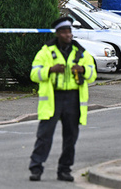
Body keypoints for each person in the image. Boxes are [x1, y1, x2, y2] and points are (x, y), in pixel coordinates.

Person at [28, 16, 97, 182]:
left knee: (70, 137)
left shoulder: (80, 52)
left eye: (70, 32)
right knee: (44, 136)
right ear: (58, 33)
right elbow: (33, 74)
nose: (68, 35)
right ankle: (36, 169)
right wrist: (50, 70)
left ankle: (65, 170)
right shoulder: (46, 51)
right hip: (53, 98)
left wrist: (82, 70)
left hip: (73, 99)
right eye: (65, 32)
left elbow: (93, 74)